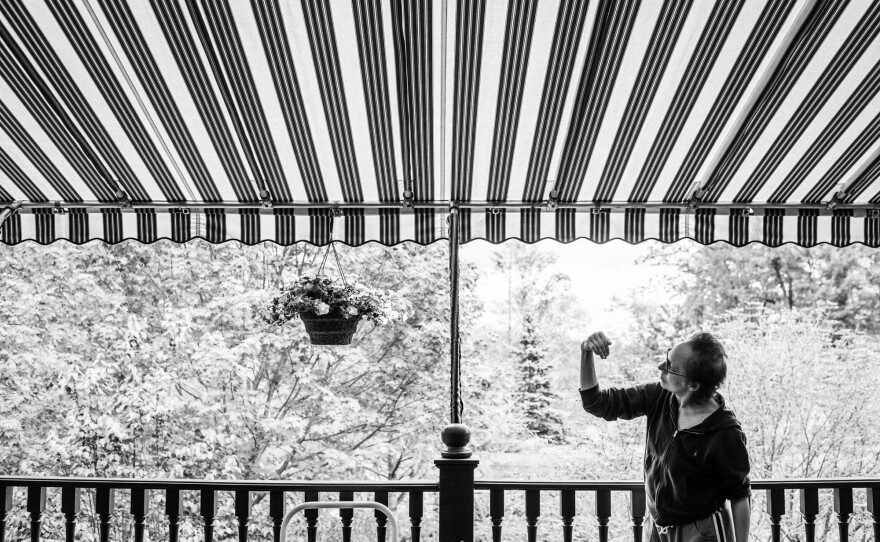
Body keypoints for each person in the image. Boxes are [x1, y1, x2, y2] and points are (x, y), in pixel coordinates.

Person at [579, 331, 751, 542]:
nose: (660, 367)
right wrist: (586, 352)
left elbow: (739, 495)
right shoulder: (659, 397)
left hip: (702, 532)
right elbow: (597, 403)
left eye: (670, 367)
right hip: (657, 528)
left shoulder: (725, 431)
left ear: (693, 385)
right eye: (667, 358)